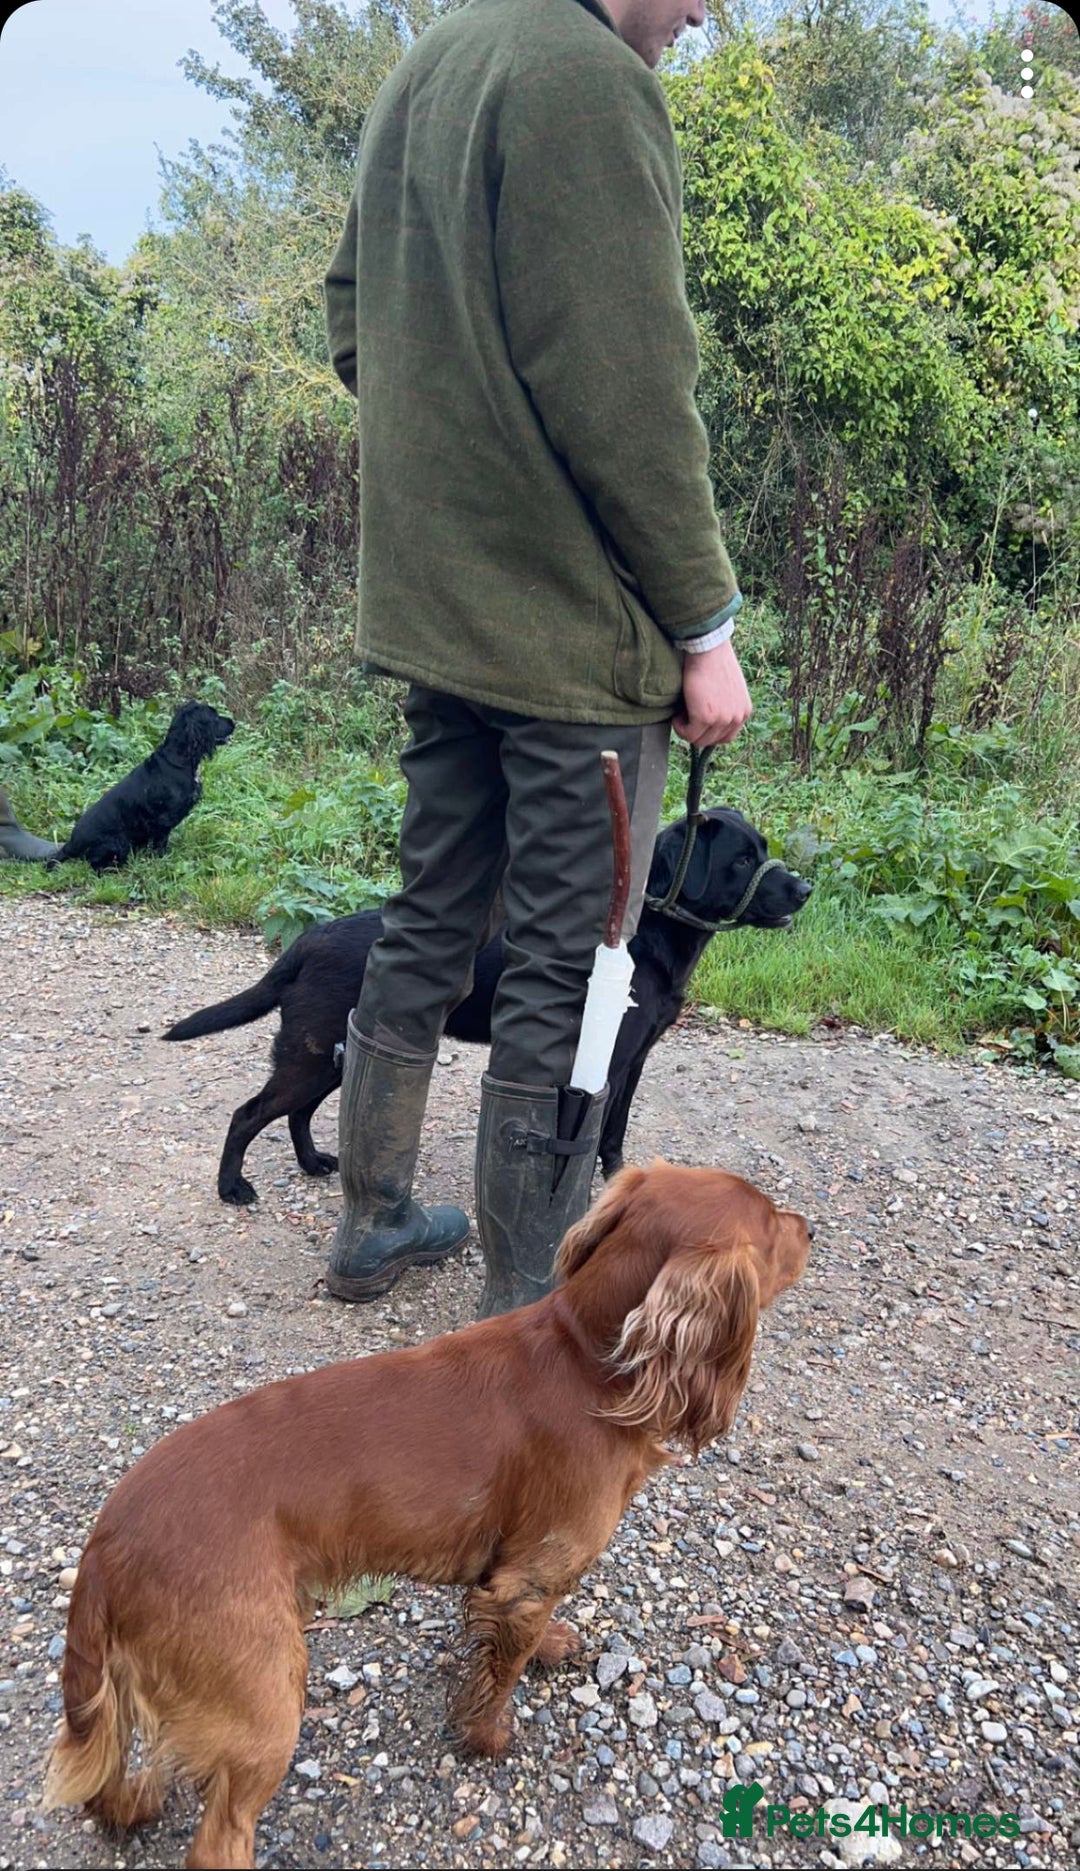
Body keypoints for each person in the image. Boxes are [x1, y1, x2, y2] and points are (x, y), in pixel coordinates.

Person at [323, 0, 751, 1315]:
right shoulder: (586, 81)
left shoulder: (436, 56)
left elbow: (352, 317)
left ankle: (374, 1219)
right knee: (567, 966)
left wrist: (459, 477)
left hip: (440, 617)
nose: (701, 14)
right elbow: (625, 387)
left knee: (432, 916)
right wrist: (704, 624)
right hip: (566, 642)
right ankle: (530, 1308)